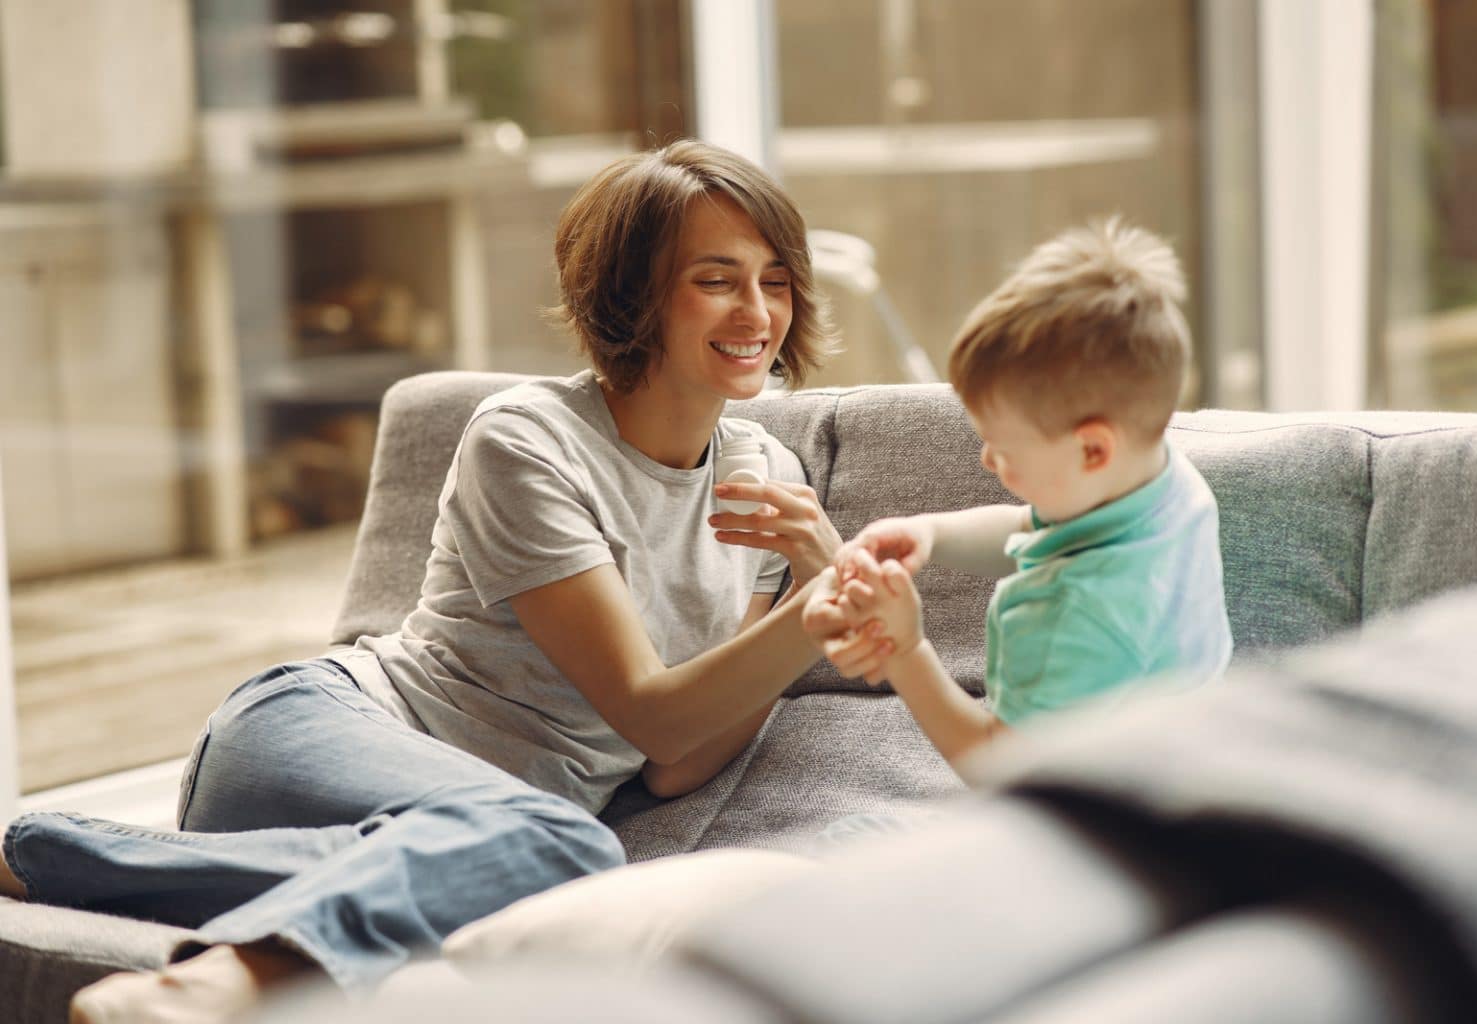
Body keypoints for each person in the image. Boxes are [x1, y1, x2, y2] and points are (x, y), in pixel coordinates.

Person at [0, 138, 844, 1023]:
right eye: (717, 279)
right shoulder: (527, 440)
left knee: (547, 861)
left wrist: (800, 595)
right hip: (317, 733)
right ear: (633, 292)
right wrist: (816, 604)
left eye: (776, 280)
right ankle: (202, 986)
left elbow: (677, 765)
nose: (758, 310)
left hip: (468, 838)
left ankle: (39, 855)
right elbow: (651, 712)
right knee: (562, 845)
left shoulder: (769, 475)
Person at [804, 219, 1232, 770]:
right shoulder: (1166, 487)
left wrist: (905, 652)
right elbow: (1037, 529)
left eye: (1004, 447)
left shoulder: (1073, 610)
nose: (988, 459)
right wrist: (930, 533)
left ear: (1093, 450)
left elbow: (996, 769)